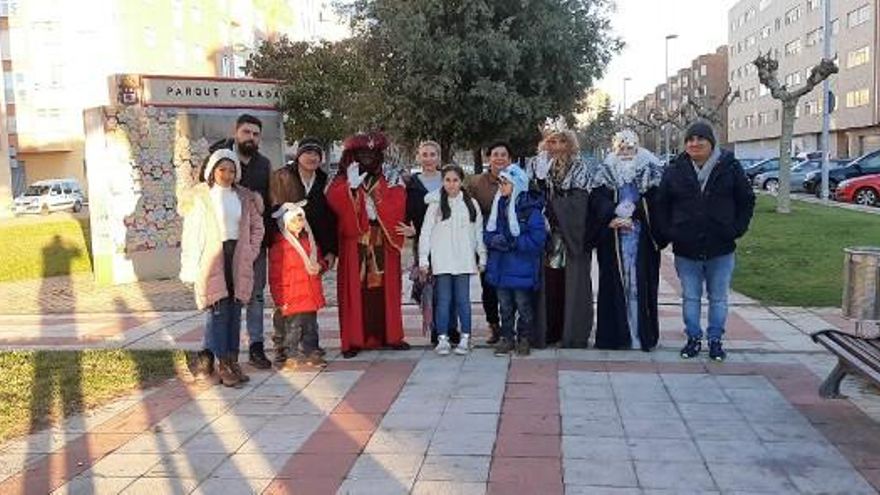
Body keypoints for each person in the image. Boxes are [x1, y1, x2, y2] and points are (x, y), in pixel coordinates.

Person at [656, 121, 755, 361]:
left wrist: (735, 229)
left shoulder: (729, 167)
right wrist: (670, 232)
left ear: (711, 142)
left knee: (718, 297)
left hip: (720, 247)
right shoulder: (675, 169)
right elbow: (661, 205)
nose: (695, 143)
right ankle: (692, 338)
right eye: (690, 139)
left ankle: (715, 340)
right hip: (686, 247)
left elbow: (746, 200)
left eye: (701, 138)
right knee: (690, 296)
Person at [180, 149, 264, 387]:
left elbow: (257, 227)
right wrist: (191, 266)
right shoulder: (202, 197)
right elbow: (191, 234)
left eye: (231, 170)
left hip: (238, 257)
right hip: (212, 257)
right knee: (218, 311)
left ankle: (232, 360)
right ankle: (221, 363)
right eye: (222, 169)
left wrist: (250, 251)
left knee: (235, 312)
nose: (227, 175)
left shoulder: (244, 197)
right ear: (212, 171)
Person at [326, 131, 410, 358]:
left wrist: (375, 204)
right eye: (363, 153)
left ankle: (390, 335)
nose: (368, 158)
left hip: (382, 239)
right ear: (353, 154)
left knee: (384, 289)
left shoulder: (391, 175)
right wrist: (350, 190)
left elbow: (399, 200)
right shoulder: (341, 177)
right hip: (355, 242)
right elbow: (333, 203)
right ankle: (354, 340)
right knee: (356, 289)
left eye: (373, 153)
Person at [201, 114, 273, 370]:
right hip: (220, 244)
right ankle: (209, 351)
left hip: (252, 245)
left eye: (255, 134)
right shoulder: (216, 155)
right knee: (217, 298)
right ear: (236, 132)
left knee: (255, 296)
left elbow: (266, 201)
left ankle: (255, 347)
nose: (251, 138)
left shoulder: (264, 164)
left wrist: (261, 201)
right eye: (246, 132)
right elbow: (203, 194)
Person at [588, 130, 664, 351]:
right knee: (615, 285)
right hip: (613, 238)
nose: (626, 153)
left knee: (640, 285)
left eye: (631, 148)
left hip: (641, 237)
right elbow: (597, 199)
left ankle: (641, 335)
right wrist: (612, 215)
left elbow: (657, 200)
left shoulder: (650, 170)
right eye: (622, 148)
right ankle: (617, 337)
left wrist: (635, 213)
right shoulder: (606, 171)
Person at [526, 116, 594, 348]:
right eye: (551, 142)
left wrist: (555, 207)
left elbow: (581, 201)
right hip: (543, 236)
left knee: (570, 284)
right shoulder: (535, 164)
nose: (556, 147)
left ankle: (571, 332)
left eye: (561, 142)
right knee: (548, 285)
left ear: (569, 143)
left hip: (570, 235)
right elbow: (528, 195)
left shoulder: (579, 166)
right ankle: (547, 331)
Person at [269, 138, 337, 362]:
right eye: (307, 152)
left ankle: (310, 346)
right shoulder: (283, 177)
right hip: (287, 245)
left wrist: (330, 250)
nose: (312, 157)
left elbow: (328, 219)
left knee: (308, 294)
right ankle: (282, 345)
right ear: (298, 155)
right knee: (287, 296)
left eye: (316, 153)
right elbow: (274, 210)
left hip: (313, 247)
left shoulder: (323, 181)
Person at [418, 165, 486, 355]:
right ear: (442, 182)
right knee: (443, 301)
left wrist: (482, 255)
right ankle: (443, 338)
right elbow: (426, 233)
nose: (451, 184)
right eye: (447, 180)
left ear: (461, 181)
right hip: (442, 259)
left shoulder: (471, 204)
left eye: (455, 180)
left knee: (463, 300)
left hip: (463, 259)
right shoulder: (435, 205)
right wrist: (424, 259)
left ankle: (466, 337)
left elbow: (478, 231)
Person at [484, 164, 547, 356]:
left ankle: (525, 337)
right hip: (501, 267)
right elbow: (487, 231)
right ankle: (507, 337)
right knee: (504, 306)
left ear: (517, 184)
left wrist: (513, 242)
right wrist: (493, 240)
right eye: (500, 183)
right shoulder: (498, 206)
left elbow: (537, 239)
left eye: (505, 183)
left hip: (522, 267)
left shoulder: (530, 209)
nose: (501, 186)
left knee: (523, 305)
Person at [401, 141, 460, 345]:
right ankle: (437, 329)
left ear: (439, 157)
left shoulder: (449, 180)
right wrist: (410, 232)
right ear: (419, 157)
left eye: (432, 154)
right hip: (423, 242)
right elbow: (406, 215)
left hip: (448, 241)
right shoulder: (411, 184)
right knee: (430, 288)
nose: (428, 158)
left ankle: (452, 328)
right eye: (424, 154)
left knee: (450, 283)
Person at [268, 201, 328, 369]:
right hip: (292, 294)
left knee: (310, 326)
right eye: (294, 221)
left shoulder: (310, 241)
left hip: (309, 291)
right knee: (292, 327)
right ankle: (289, 353)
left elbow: (319, 259)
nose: (299, 225)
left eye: (301, 220)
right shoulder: (280, 245)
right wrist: (279, 298)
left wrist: (321, 266)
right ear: (286, 222)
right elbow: (275, 275)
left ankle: (312, 351)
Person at [465, 142, 510, 344]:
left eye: (503, 155)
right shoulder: (476, 183)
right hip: (486, 243)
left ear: (510, 159)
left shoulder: (517, 179)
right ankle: (494, 326)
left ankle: (512, 327)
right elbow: (467, 212)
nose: (499, 158)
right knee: (489, 287)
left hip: (510, 243)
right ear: (488, 158)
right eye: (495, 154)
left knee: (511, 286)